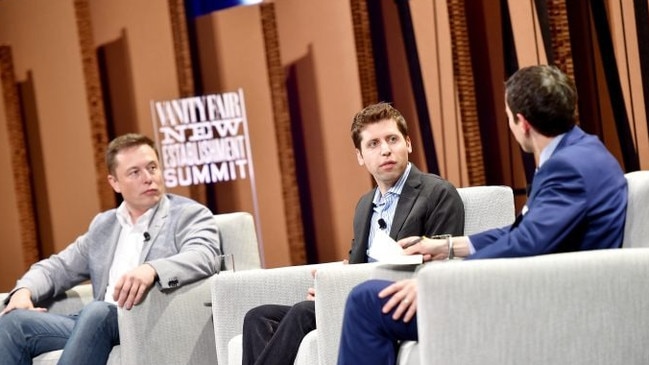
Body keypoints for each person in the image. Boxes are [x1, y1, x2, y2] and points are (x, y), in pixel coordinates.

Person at [337, 65, 628, 365]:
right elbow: (524, 231)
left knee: (365, 301)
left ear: (522, 123)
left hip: (542, 298)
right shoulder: (582, 152)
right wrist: (447, 246)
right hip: (539, 283)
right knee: (369, 294)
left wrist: (439, 280)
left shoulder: (567, 168)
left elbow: (527, 242)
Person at [242, 102, 465, 365]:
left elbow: (443, 268)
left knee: (303, 314)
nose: (385, 150)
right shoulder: (364, 205)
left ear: (408, 143)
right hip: (354, 294)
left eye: (392, 139)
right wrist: (329, 285)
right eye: (373, 144)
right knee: (258, 317)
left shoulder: (437, 193)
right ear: (360, 156)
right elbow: (356, 264)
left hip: (399, 299)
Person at [0, 133, 221, 365]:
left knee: (97, 311)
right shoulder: (104, 225)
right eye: (135, 172)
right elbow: (58, 267)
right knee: (12, 323)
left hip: (145, 319)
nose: (149, 178)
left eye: (152, 167)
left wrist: (152, 269)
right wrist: (24, 291)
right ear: (114, 183)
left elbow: (204, 255)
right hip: (95, 323)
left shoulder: (188, 214)